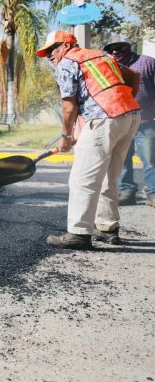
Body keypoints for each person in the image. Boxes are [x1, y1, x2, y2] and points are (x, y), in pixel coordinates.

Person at [36, 30, 140, 249]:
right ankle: (108, 229)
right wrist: (119, 103)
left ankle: (79, 233)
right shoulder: (101, 56)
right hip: (129, 115)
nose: (49, 55)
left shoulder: (67, 63)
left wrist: (66, 136)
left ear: (65, 45)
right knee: (109, 176)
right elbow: (133, 77)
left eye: (52, 49)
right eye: (46, 53)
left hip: (105, 118)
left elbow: (69, 105)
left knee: (82, 179)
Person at [104, 35, 155, 207]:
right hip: (120, 121)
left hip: (145, 121)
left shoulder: (147, 63)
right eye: (111, 49)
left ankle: (153, 194)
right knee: (122, 160)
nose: (115, 52)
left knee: (150, 160)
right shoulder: (109, 66)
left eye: (119, 47)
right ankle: (127, 192)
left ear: (128, 47)